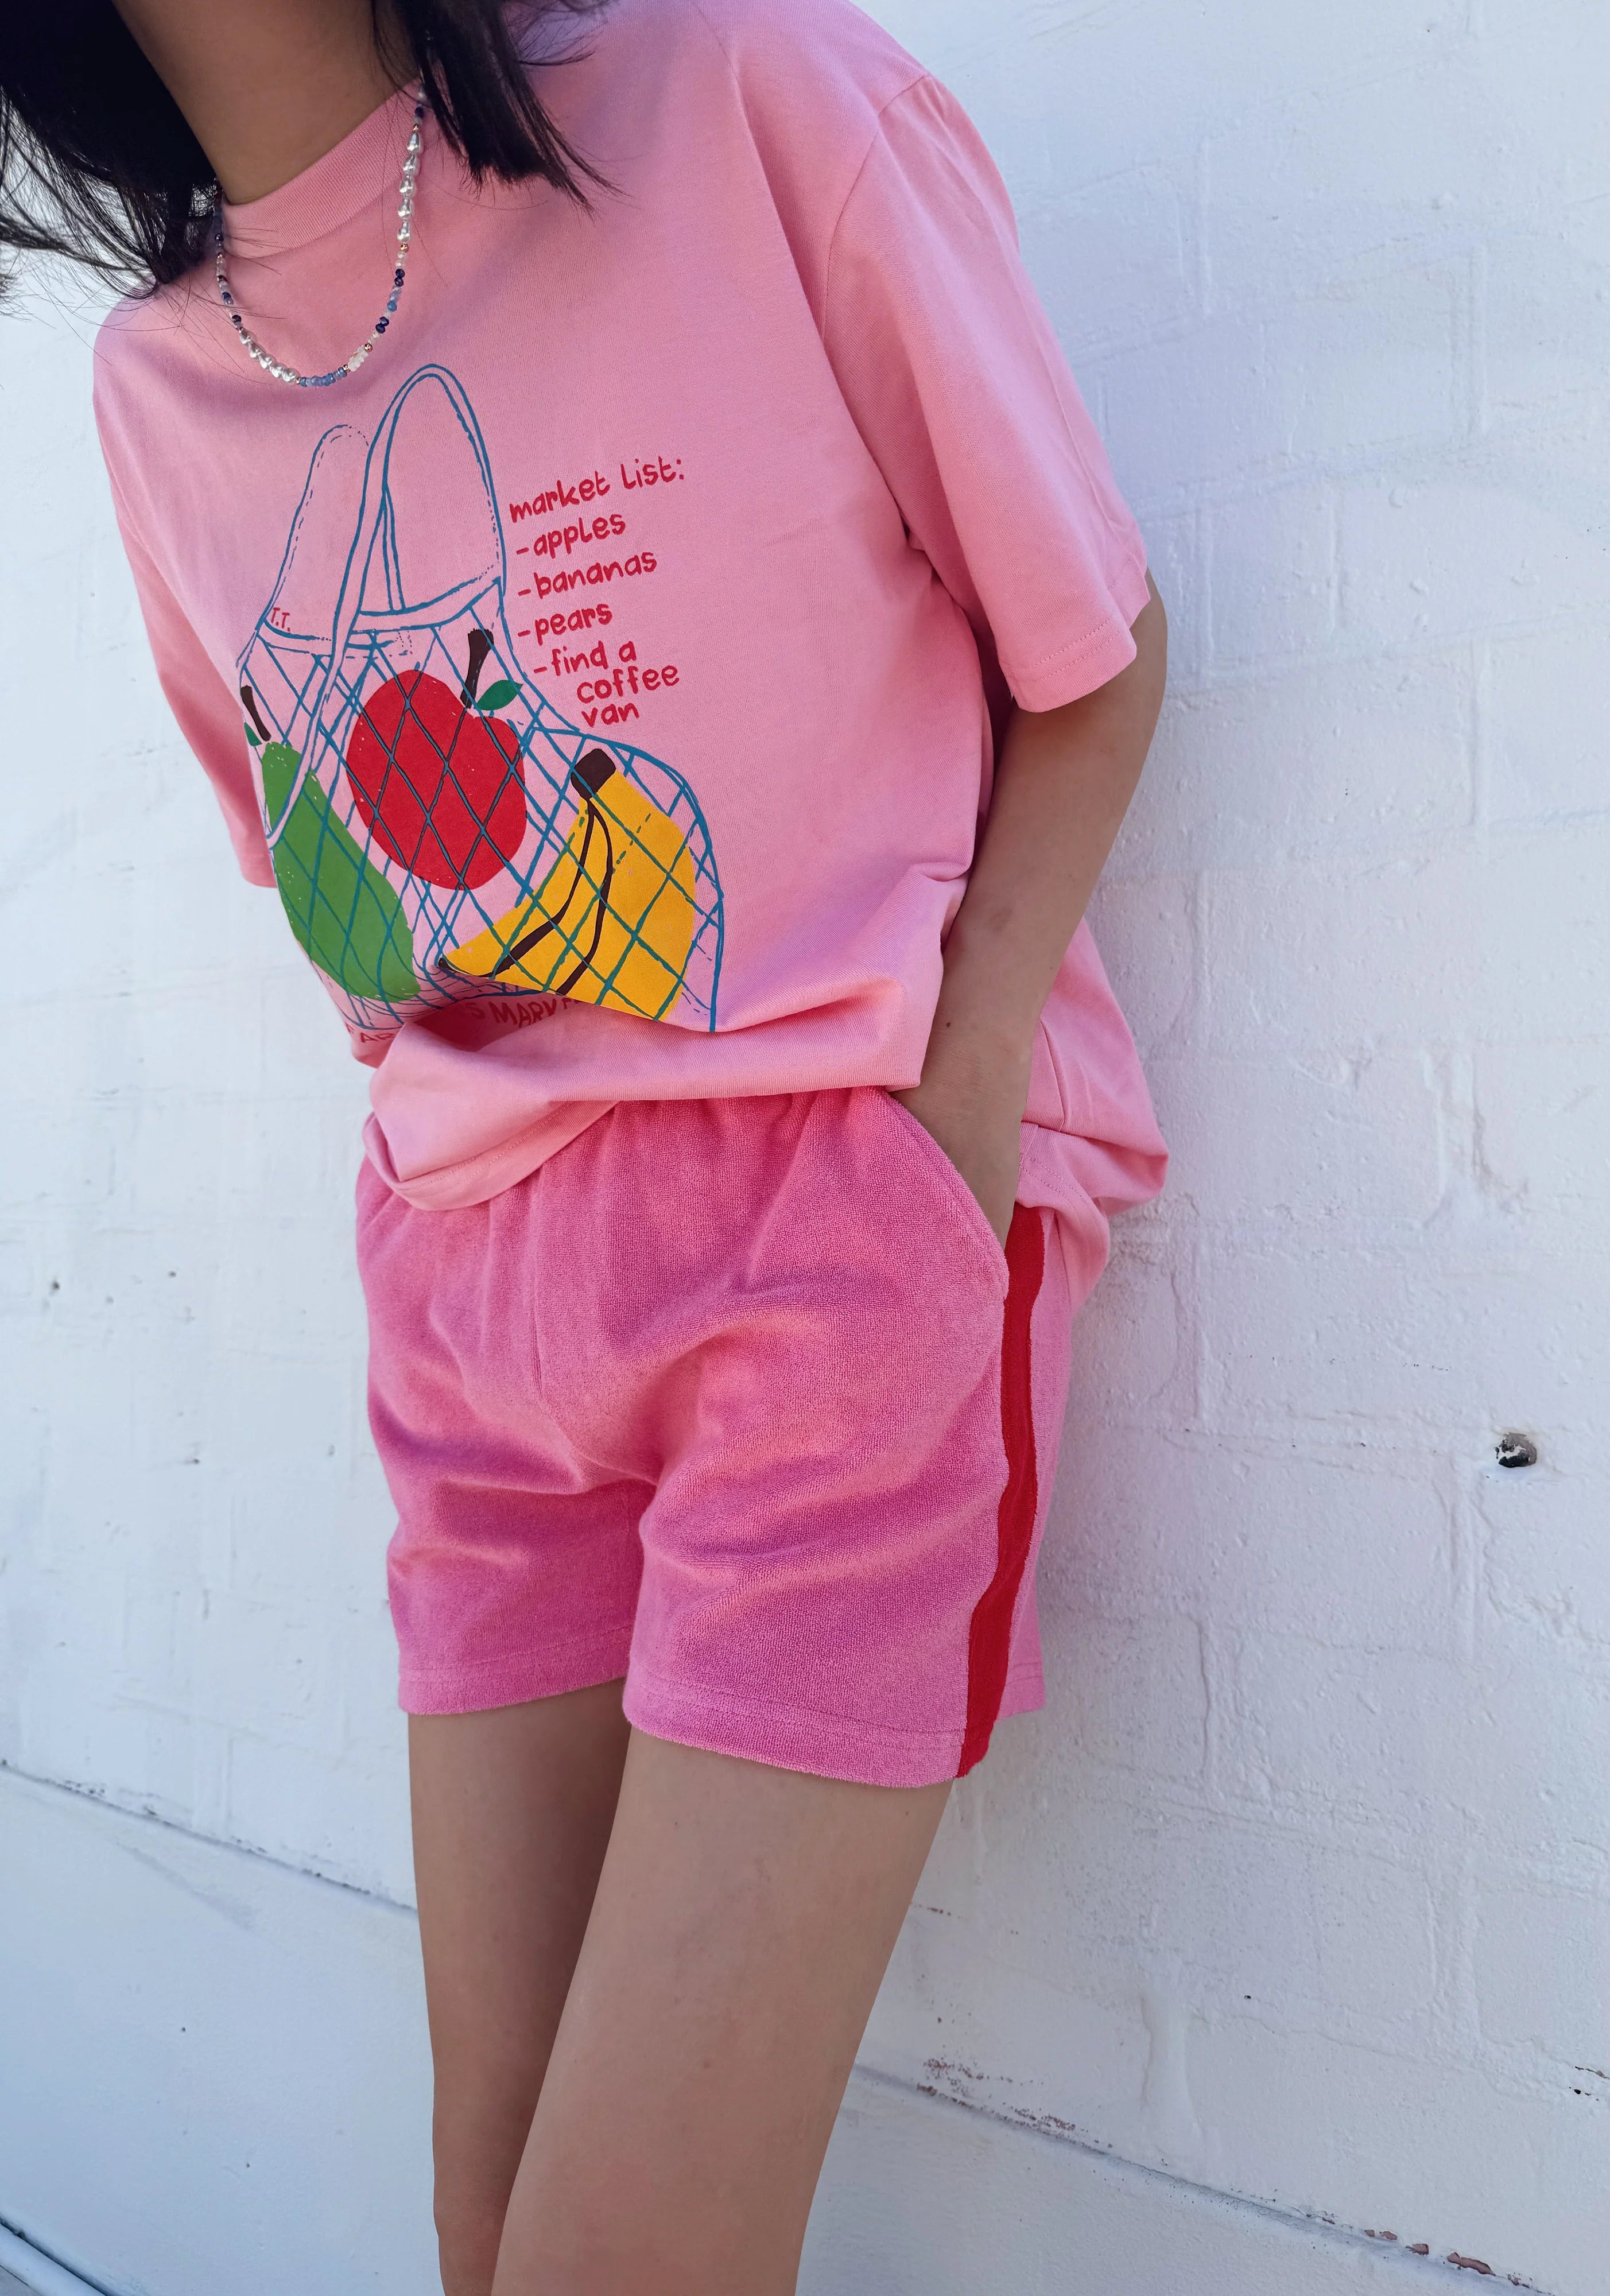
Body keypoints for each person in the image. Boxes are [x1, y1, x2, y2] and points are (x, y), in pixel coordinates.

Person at [0, 1, 1168, 2287]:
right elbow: (340, 892)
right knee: (489, 2210)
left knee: (621, 2254)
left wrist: (940, 1119)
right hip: (472, 1300)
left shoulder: (750, 99)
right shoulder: (156, 390)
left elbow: (1100, 650)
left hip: (837, 1247)